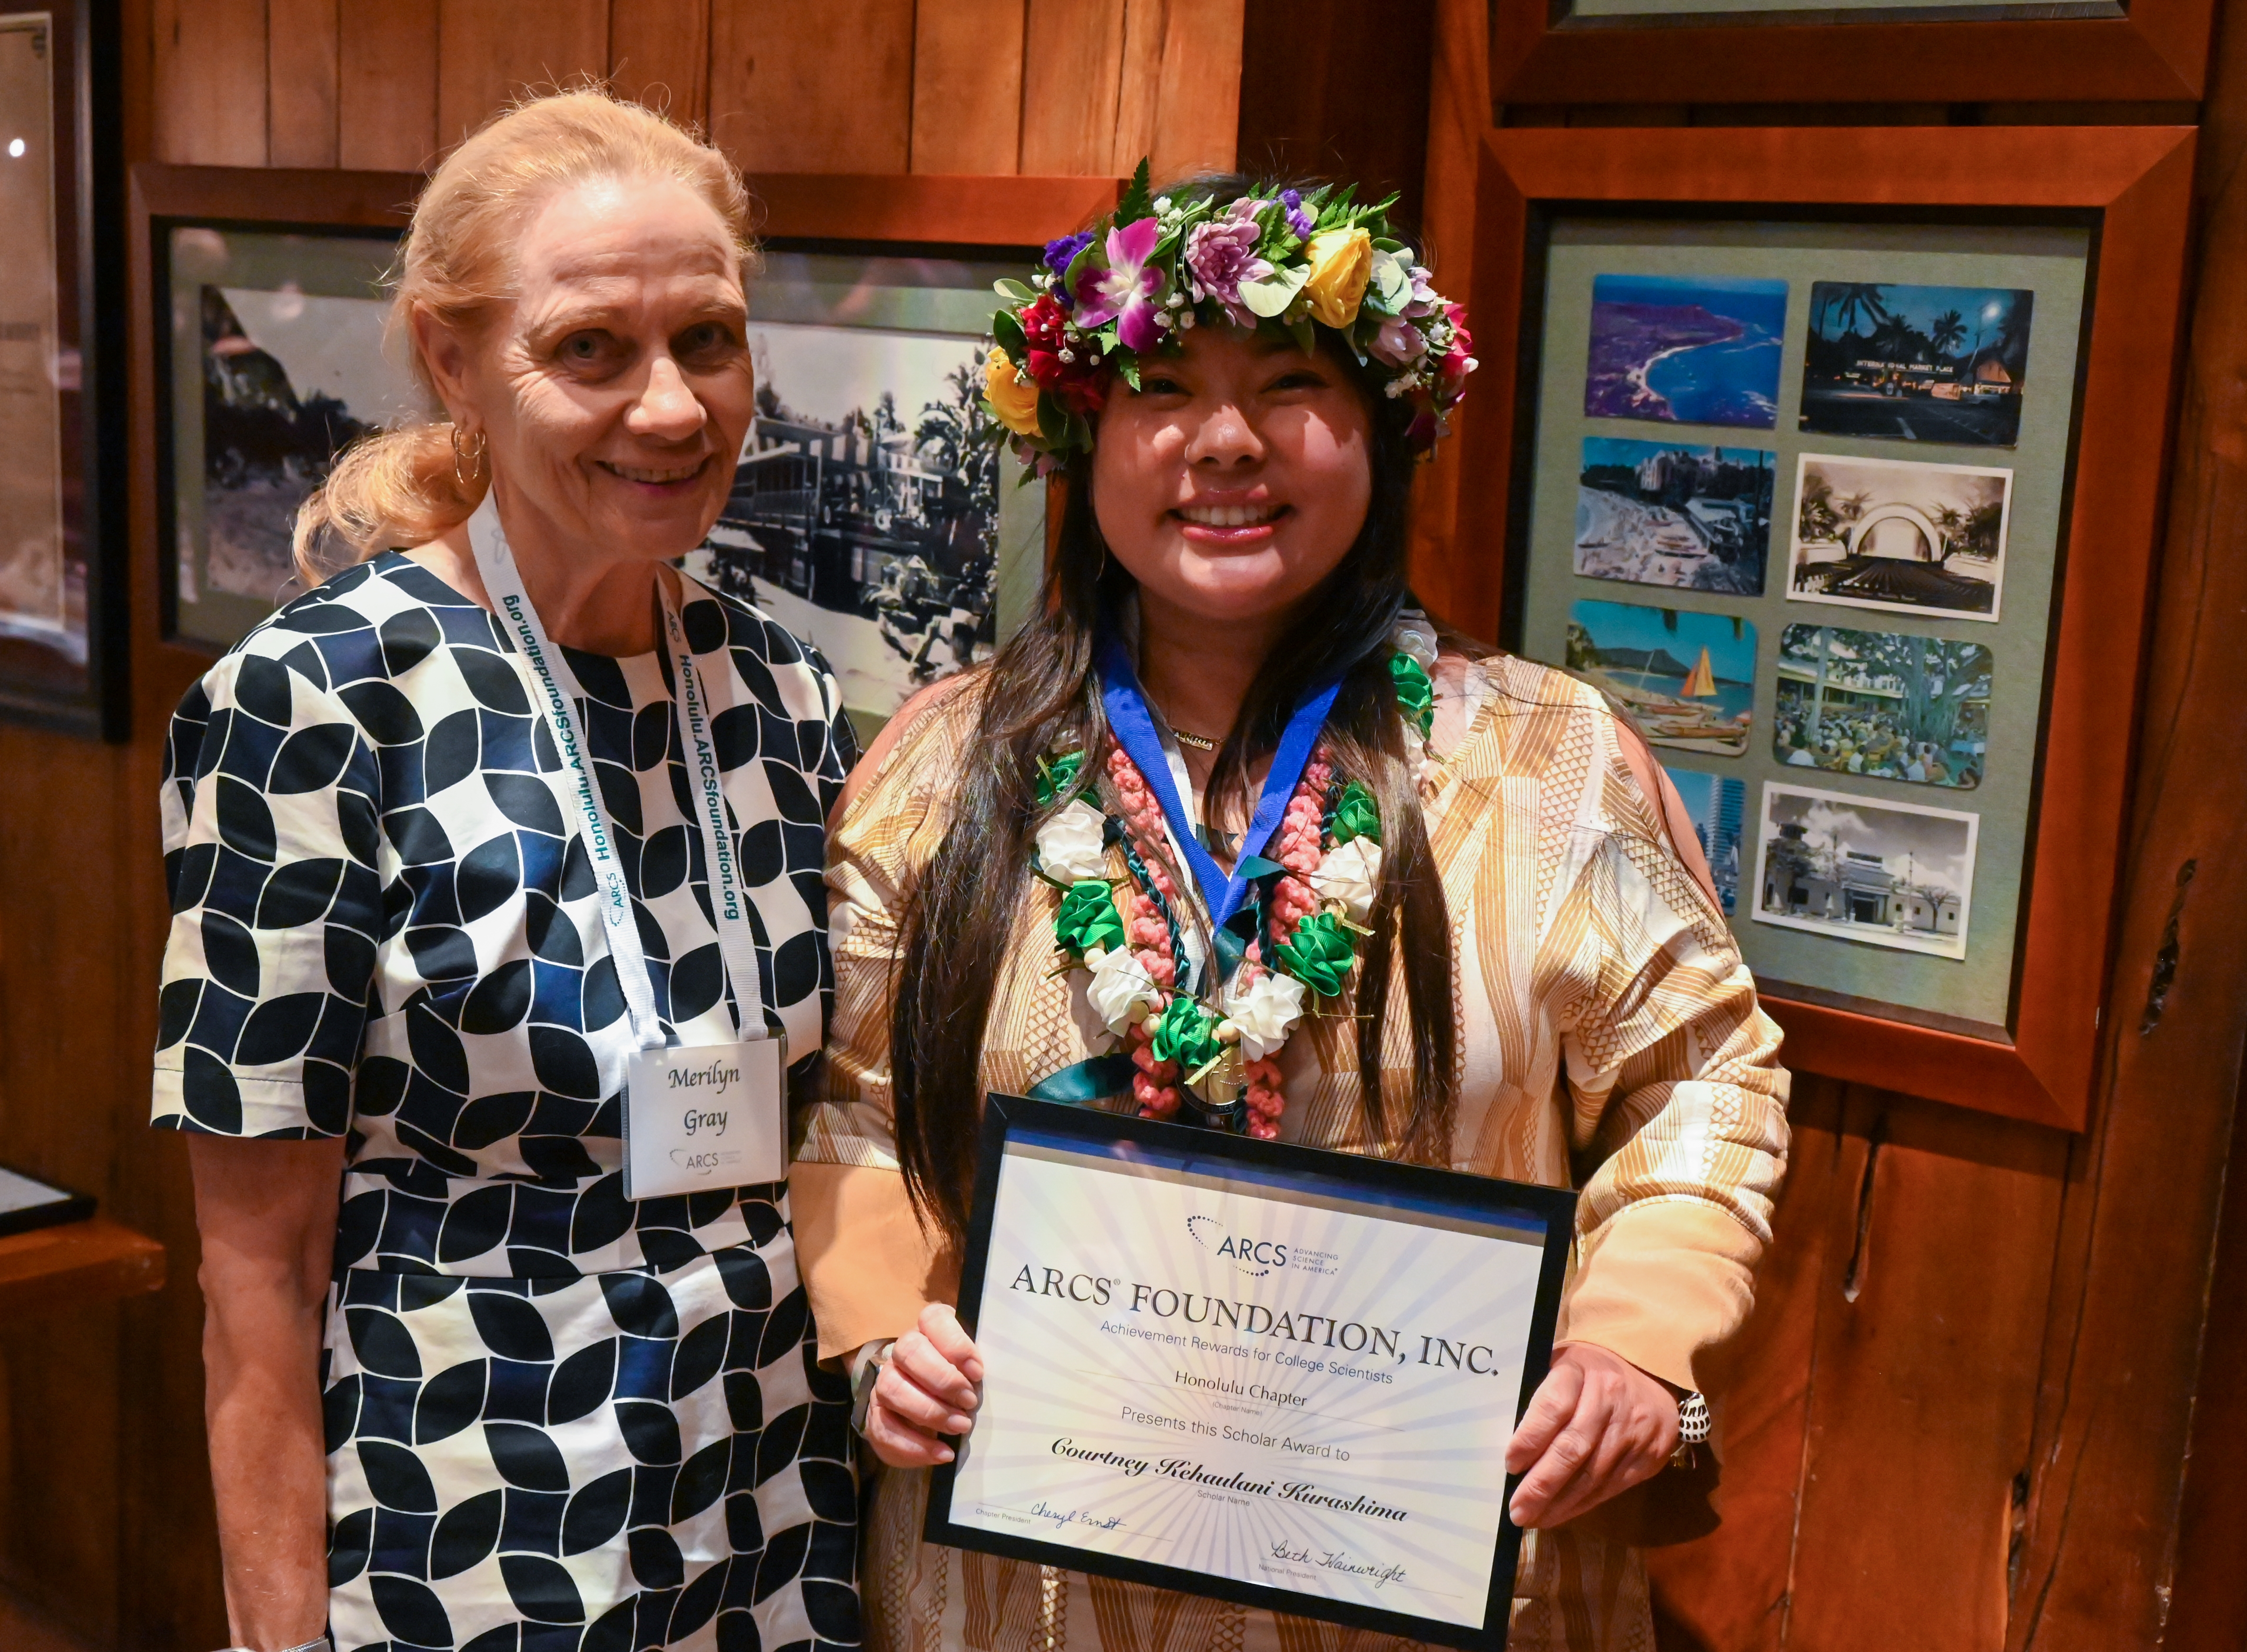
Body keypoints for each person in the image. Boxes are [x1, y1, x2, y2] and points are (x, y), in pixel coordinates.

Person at [790, 174, 1790, 1651]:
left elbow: (1701, 1082)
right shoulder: (944, 765)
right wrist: (882, 1332)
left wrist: (1640, 1342)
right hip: (1023, 1585)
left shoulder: (1550, 757)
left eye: (1289, 383)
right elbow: (855, 1104)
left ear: (1383, 427)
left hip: (1429, 1576)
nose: (1227, 441)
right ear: (1082, 436)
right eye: (1164, 392)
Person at [155, 91, 859, 1652]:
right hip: (462, 1529)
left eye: (711, 339)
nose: (673, 408)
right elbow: (254, 1279)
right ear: (451, 359)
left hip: (763, 1521)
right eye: (593, 350)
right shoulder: (317, 704)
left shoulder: (782, 689)